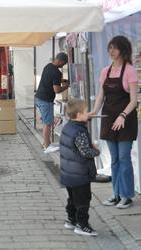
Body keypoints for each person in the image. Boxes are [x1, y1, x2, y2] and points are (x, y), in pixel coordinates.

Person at [90, 36, 138, 209]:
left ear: (123, 50)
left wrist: (123, 115)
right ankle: (116, 193)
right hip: (109, 119)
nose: (111, 51)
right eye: (109, 48)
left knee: (124, 158)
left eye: (114, 48)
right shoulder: (105, 71)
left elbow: (134, 100)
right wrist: (94, 111)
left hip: (125, 120)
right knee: (114, 159)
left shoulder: (130, 70)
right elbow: (101, 95)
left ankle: (127, 195)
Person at [60, 99, 100, 236]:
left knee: (72, 198)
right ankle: (82, 225)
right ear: (78, 115)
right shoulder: (80, 132)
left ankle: (71, 220)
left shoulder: (67, 127)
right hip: (79, 174)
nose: (88, 113)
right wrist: (96, 150)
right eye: (86, 111)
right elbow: (86, 152)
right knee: (83, 200)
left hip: (68, 173)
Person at [35, 52, 70, 154]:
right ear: (60, 61)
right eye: (64, 63)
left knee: (47, 122)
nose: (63, 66)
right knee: (47, 123)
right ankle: (47, 146)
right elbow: (57, 90)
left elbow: (50, 79)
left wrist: (63, 81)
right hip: (45, 100)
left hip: (39, 97)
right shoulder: (56, 72)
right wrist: (66, 86)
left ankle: (46, 142)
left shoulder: (48, 66)